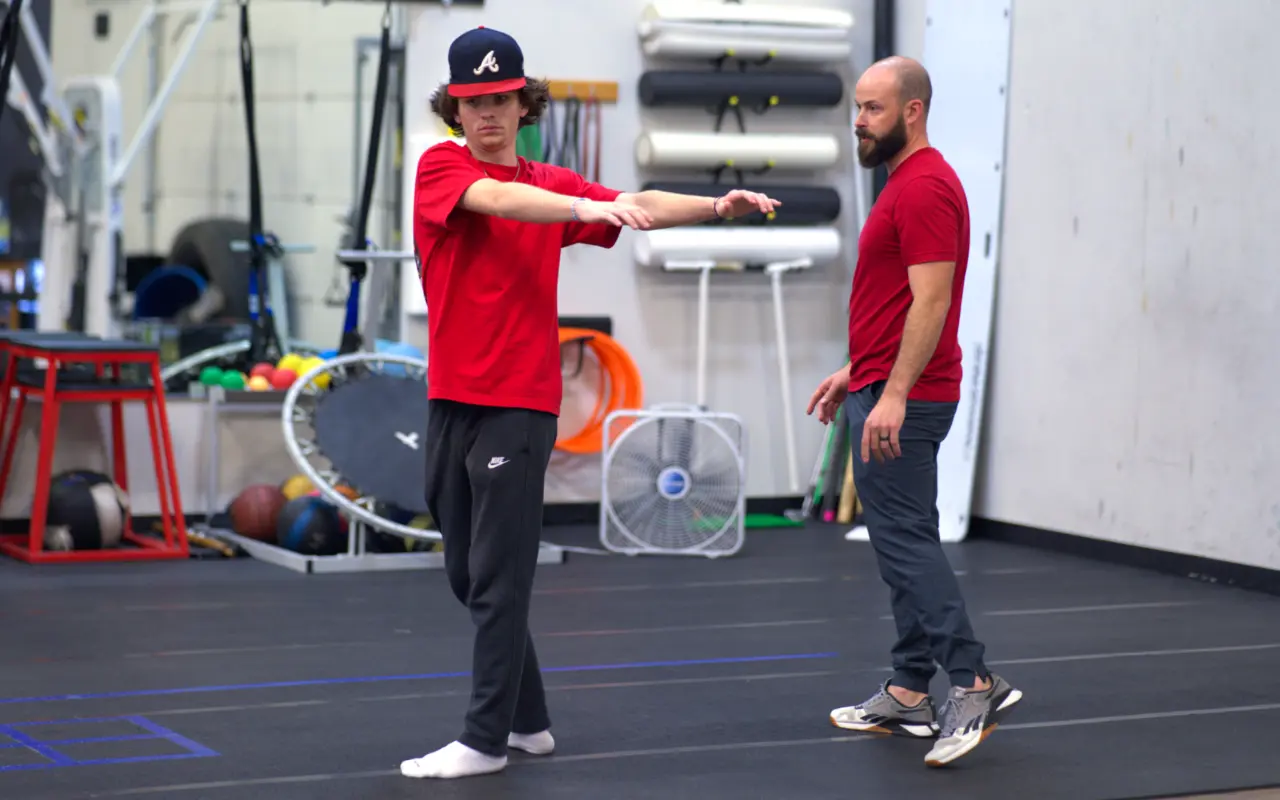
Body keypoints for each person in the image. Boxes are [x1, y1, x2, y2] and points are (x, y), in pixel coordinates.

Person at [399, 26, 779, 781]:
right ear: (456, 109)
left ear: (522, 102)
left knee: (501, 573)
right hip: (450, 398)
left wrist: (714, 208)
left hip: (522, 403)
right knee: (466, 575)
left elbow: (634, 202)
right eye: (473, 103)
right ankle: (529, 721)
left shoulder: (555, 185)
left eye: (501, 100)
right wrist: (590, 209)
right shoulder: (444, 169)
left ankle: (483, 740)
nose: (488, 115)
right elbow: (502, 199)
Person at [806, 56, 1022, 768]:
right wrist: (856, 372)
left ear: (912, 112)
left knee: (903, 543)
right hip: (887, 383)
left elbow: (933, 302)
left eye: (872, 109)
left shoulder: (925, 188)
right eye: (858, 108)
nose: (859, 121)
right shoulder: (904, 184)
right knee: (906, 540)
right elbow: (896, 303)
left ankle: (973, 680)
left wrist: (892, 393)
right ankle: (907, 693)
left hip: (912, 396)